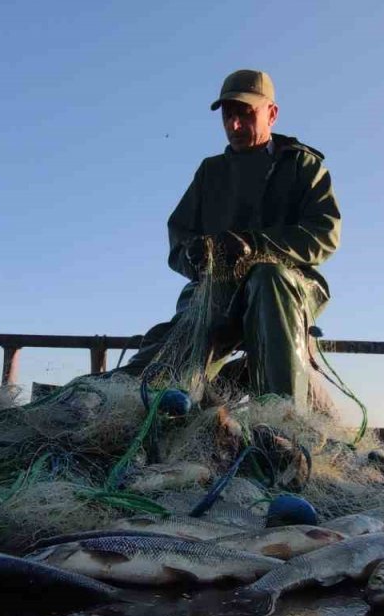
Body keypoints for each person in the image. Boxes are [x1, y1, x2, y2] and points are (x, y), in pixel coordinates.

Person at [121, 70, 341, 410]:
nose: (234, 125)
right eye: (228, 115)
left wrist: (257, 245)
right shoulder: (210, 172)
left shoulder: (304, 167)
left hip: (289, 288)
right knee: (169, 350)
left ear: (272, 113)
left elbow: (323, 234)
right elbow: (179, 241)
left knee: (269, 278)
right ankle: (120, 399)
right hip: (219, 289)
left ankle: (282, 419)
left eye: (246, 114)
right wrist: (194, 256)